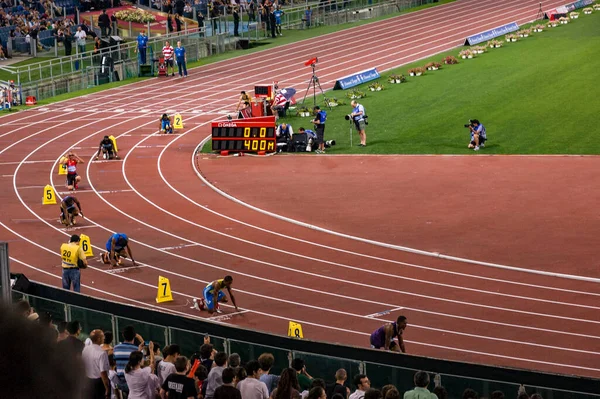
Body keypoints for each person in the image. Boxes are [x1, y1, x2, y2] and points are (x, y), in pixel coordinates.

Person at [82, 329, 111, 399]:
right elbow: (103, 373)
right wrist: (107, 388)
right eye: (103, 336)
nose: (104, 338)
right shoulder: (102, 353)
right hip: (99, 383)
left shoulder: (85, 349)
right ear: (98, 339)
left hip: (87, 381)